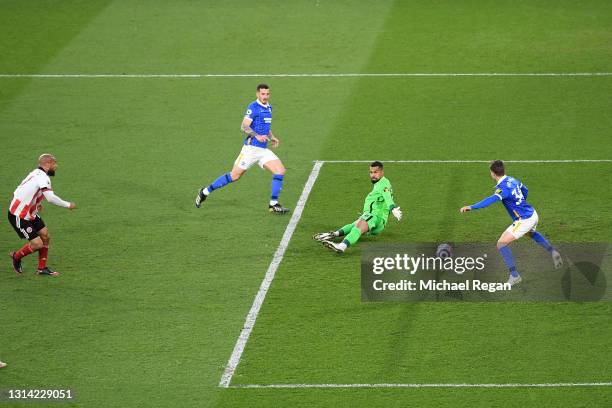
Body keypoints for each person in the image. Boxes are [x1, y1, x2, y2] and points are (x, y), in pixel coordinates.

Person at [460, 160, 562, 286]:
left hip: (524, 219)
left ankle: (515, 276)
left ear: (492, 173)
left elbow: (491, 200)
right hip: (532, 213)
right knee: (530, 233)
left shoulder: (502, 189)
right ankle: (553, 252)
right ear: (504, 170)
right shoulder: (513, 180)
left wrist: (472, 207)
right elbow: (525, 190)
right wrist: (520, 203)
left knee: (501, 244)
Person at [195, 84, 289, 214]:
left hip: (263, 150)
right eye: (263, 94)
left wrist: (272, 137)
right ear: (257, 94)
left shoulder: (269, 107)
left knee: (280, 171)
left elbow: (265, 127)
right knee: (234, 176)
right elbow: (244, 126)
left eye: (267, 94)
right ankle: (204, 192)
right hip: (251, 150)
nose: (265, 96)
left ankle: (273, 204)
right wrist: (257, 135)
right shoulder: (253, 107)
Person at [8, 154, 76, 276]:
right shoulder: (43, 178)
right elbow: (50, 198)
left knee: (45, 236)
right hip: (19, 215)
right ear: (48, 163)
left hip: (30, 212)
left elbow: (21, 189)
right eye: (55, 164)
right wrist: (68, 205)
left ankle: (41, 268)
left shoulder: (35, 173)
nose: (56, 166)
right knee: (37, 244)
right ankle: (16, 257)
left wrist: (36, 203)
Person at [314, 161, 403, 253]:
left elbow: (387, 197)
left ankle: (342, 246)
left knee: (358, 226)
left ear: (382, 172)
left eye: (375, 172)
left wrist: (393, 208)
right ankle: (333, 234)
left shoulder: (383, 185)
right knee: (354, 224)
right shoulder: (382, 182)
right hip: (376, 219)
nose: (373, 175)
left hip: (375, 217)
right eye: (371, 172)